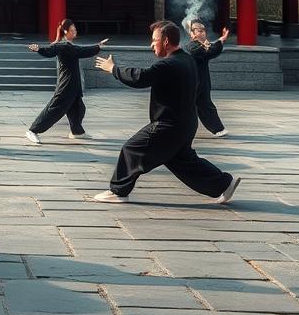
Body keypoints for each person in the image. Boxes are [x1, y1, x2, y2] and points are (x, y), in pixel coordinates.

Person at [90, 21, 241, 204]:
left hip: (168, 126)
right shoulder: (187, 60)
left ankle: (118, 191)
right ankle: (224, 184)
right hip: (186, 124)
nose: (151, 45)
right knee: (183, 161)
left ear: (166, 41)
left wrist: (113, 69)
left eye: (155, 40)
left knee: (131, 150)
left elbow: (140, 77)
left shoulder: (169, 64)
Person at [25, 19, 109, 143]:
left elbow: (78, 50)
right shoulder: (63, 46)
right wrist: (98, 47)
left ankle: (77, 132)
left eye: (75, 30)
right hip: (66, 85)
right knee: (55, 109)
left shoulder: (68, 45)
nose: (75, 32)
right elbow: (79, 51)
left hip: (73, 85)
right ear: (66, 31)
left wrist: (97, 46)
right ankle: (33, 130)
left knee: (78, 108)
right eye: (73, 30)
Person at [185, 20, 230, 137]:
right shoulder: (192, 46)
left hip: (201, 81)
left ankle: (218, 129)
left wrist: (218, 42)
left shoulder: (202, 46)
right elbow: (209, 52)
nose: (203, 33)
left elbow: (211, 51)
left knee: (204, 105)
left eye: (204, 30)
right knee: (189, 106)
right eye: (200, 31)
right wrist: (220, 40)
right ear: (193, 34)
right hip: (193, 81)